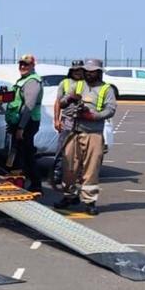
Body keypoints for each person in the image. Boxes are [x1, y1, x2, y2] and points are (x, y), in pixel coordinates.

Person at [56, 57, 116, 215]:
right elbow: (61, 103)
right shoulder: (77, 85)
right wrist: (70, 98)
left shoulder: (106, 89)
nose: (89, 74)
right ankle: (69, 196)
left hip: (93, 133)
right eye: (87, 71)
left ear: (99, 72)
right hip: (74, 132)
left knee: (91, 169)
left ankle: (90, 201)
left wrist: (93, 116)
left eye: (92, 72)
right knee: (69, 166)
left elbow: (111, 110)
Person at [5, 54, 44, 192]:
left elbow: (29, 106)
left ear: (33, 66)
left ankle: (35, 183)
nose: (22, 66)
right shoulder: (24, 79)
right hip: (19, 121)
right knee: (18, 152)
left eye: (26, 64)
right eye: (21, 64)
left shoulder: (32, 81)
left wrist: (21, 128)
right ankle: (21, 180)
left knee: (26, 154)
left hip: (27, 123)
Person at [52, 59, 85, 193]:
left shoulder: (88, 84)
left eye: (80, 70)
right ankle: (57, 173)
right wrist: (56, 120)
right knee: (62, 148)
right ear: (71, 70)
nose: (77, 72)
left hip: (83, 121)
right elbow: (58, 102)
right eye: (75, 70)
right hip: (67, 120)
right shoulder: (64, 83)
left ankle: (79, 175)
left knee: (81, 150)